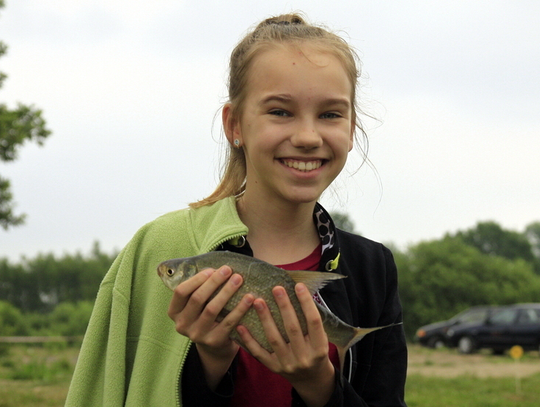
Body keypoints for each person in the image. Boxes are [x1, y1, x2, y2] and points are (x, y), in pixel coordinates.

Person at [65, 13, 407, 407]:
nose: (308, 136)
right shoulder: (157, 246)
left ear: (350, 130)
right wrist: (209, 362)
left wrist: (320, 387)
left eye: (330, 114)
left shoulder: (372, 267)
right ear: (235, 125)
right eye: (280, 111)